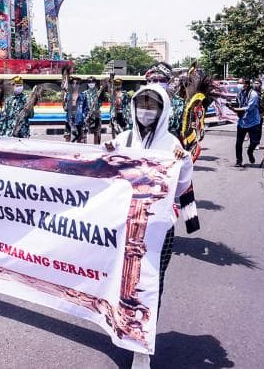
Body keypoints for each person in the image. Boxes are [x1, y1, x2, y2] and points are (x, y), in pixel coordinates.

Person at [106, 84, 195, 369]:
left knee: (151, 282)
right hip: (126, 224)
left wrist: (184, 162)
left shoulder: (172, 145)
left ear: (162, 109)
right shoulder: (123, 138)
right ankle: (124, 328)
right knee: (125, 280)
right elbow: (107, 177)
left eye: (152, 105)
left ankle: (142, 347)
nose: (145, 109)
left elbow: (182, 186)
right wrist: (107, 153)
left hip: (159, 229)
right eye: (141, 103)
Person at [145, 62, 184, 141]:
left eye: (162, 80)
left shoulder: (178, 103)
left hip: (170, 146)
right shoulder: (139, 101)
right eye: (154, 80)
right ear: (148, 82)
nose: (158, 83)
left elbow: (181, 130)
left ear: (168, 82)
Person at [233, 78, 262, 167]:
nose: (239, 85)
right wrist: (232, 106)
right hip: (242, 122)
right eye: (238, 83)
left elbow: (249, 108)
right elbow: (238, 104)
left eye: (241, 83)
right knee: (238, 143)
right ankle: (239, 161)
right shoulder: (240, 93)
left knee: (255, 142)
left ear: (247, 84)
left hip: (253, 122)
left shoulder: (253, 95)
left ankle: (250, 152)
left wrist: (236, 109)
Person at [63, 76, 88, 142]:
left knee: (79, 139)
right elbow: (65, 108)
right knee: (67, 137)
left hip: (79, 119)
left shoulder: (83, 95)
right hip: (69, 118)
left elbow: (86, 108)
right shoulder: (68, 95)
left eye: (77, 83)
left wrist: (84, 116)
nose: (75, 85)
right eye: (73, 83)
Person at [83, 76, 106, 144]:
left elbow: (101, 103)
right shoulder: (84, 93)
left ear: (95, 83)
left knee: (96, 133)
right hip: (87, 115)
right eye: (89, 82)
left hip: (96, 115)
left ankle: (96, 148)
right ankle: (85, 148)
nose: (91, 83)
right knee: (84, 133)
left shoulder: (99, 92)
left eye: (92, 82)